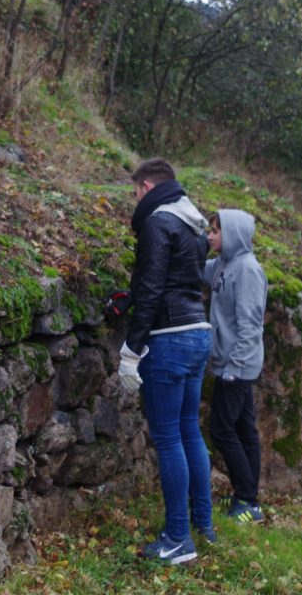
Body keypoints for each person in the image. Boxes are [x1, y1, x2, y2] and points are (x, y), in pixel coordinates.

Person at [117, 157, 214, 564]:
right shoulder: (194, 225)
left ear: (147, 186)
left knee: (170, 437)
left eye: (135, 191)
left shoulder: (158, 221)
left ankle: (178, 539)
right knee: (189, 431)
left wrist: (131, 350)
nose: (135, 199)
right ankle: (201, 525)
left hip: (168, 341)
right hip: (197, 334)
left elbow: (155, 287)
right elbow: (175, 282)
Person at [205, 209, 268, 523]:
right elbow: (199, 271)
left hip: (237, 365)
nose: (210, 235)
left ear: (233, 235)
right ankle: (249, 499)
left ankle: (247, 500)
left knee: (221, 429)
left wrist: (234, 367)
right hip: (229, 362)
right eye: (210, 229)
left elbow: (251, 327)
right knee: (244, 430)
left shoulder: (247, 271)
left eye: (216, 231)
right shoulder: (223, 263)